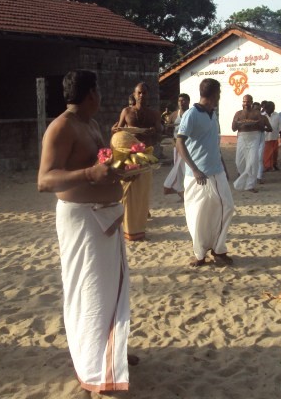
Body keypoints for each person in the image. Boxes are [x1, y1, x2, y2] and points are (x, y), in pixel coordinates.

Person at [37, 70, 133, 393]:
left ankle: (110, 354)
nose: (101, 97)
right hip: (82, 221)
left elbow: (101, 162)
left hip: (104, 218)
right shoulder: (61, 127)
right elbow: (44, 180)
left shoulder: (90, 124)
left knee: (108, 291)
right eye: (99, 91)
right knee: (89, 292)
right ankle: (94, 371)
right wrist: (90, 174)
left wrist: (122, 169)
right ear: (92, 93)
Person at [177, 78, 234, 267]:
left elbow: (213, 143)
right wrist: (195, 169)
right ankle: (200, 253)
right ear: (214, 94)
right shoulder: (191, 114)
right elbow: (179, 142)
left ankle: (218, 249)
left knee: (225, 207)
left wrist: (223, 166)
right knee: (197, 215)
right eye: (219, 93)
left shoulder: (213, 113)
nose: (220, 96)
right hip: (198, 175)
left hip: (216, 171)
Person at [113, 82, 162, 241]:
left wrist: (153, 132)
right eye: (139, 93)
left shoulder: (154, 114)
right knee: (127, 189)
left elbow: (159, 135)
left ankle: (140, 219)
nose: (141, 95)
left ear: (148, 95)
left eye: (144, 93)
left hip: (145, 155)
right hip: (129, 156)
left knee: (142, 190)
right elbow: (119, 132)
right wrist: (116, 130)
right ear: (134, 95)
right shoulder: (126, 112)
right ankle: (126, 222)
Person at [231, 95, 267, 193]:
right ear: (242, 102)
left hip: (254, 138)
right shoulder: (238, 113)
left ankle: (250, 185)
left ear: (251, 102)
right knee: (239, 162)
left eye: (248, 102)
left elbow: (262, 127)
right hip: (242, 138)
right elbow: (233, 128)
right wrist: (237, 123)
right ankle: (244, 181)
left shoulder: (256, 113)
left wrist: (257, 123)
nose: (246, 104)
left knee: (253, 162)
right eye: (244, 101)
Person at [163, 93, 191, 200]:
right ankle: (181, 192)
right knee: (178, 170)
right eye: (179, 100)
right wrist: (168, 128)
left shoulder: (191, 114)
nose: (181, 103)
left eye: (183, 100)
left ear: (188, 101)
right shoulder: (174, 115)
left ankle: (187, 192)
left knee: (188, 169)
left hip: (189, 146)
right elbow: (167, 129)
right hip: (177, 146)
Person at [263, 101, 281, 172]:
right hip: (265, 138)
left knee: (275, 153)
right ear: (267, 108)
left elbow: (280, 126)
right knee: (266, 153)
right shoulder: (262, 115)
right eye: (272, 107)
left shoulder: (277, 115)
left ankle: (274, 164)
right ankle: (267, 166)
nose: (273, 109)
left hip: (274, 137)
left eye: (274, 107)